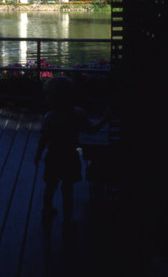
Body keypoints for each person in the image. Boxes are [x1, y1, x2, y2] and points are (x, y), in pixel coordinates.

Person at [34, 75, 111, 231]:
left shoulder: (50, 116)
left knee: (50, 186)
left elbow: (44, 138)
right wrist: (105, 118)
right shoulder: (78, 114)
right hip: (70, 156)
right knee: (67, 190)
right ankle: (67, 219)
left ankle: (47, 209)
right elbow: (91, 131)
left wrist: (38, 154)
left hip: (53, 156)